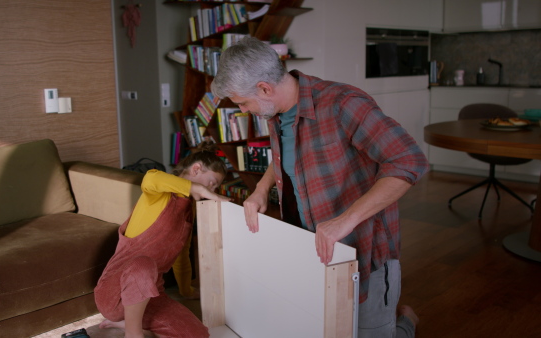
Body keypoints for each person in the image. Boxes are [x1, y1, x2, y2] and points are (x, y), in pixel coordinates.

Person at [211, 36, 429, 337]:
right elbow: (288, 154)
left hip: (365, 251)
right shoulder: (274, 111)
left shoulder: (342, 104)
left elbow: (409, 161)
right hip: (314, 251)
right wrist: (261, 188)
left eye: (243, 103)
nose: (245, 110)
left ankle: (407, 321)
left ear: (264, 88)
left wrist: (345, 220)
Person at [94, 141, 230, 338]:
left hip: (150, 296)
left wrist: (187, 291)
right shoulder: (160, 192)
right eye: (211, 183)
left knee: (199, 335)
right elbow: (150, 178)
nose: (212, 190)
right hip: (114, 294)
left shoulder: (188, 212)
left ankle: (131, 324)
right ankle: (133, 333)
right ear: (196, 169)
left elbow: (181, 258)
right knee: (143, 265)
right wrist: (198, 188)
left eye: (215, 187)